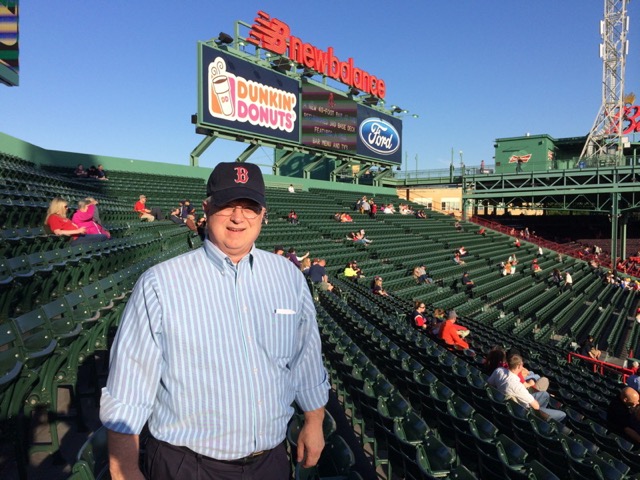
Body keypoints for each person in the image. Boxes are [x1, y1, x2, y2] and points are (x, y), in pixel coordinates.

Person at [100, 162, 329, 479]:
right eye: (227, 205)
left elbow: (305, 356)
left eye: (249, 206)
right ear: (207, 207)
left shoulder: (288, 276)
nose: (238, 217)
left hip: (270, 460)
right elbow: (128, 387)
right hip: (187, 465)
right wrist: (124, 468)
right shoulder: (160, 283)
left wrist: (314, 420)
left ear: (263, 213)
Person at [488, 355, 566, 422]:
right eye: (522, 365)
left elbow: (489, 384)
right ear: (518, 366)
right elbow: (536, 406)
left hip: (511, 403)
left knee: (545, 394)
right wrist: (536, 405)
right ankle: (540, 421)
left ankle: (541, 417)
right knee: (563, 414)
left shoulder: (499, 371)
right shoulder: (518, 386)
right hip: (523, 411)